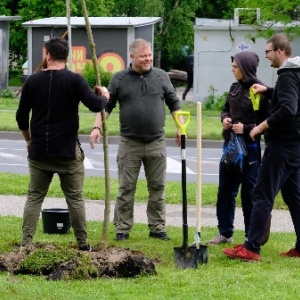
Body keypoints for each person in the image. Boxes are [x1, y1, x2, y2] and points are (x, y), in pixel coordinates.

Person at [16, 37, 109, 251]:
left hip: (39, 151)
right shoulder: (75, 80)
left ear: (48, 55)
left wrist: (28, 140)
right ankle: (83, 244)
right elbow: (96, 106)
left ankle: (25, 243)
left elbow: (21, 117)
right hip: (67, 152)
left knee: (34, 197)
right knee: (75, 198)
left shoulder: (32, 81)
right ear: (66, 57)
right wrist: (104, 95)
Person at [89, 38, 183, 241]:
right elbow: (107, 105)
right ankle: (122, 228)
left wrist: (179, 126)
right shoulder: (120, 79)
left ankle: (157, 228)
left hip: (156, 142)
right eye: (143, 56)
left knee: (157, 187)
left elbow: (174, 102)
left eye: (149, 55)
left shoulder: (161, 76)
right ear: (132, 57)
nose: (148, 59)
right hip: (129, 143)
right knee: (126, 187)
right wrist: (97, 127)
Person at [223, 34, 300, 261]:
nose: (265, 56)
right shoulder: (297, 73)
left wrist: (259, 127)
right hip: (296, 145)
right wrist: (267, 91)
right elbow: (291, 100)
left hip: (281, 146)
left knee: (262, 194)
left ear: (279, 51)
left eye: (268, 51)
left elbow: (288, 109)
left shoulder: (287, 74)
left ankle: (252, 247)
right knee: (294, 196)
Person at [207, 51, 269, 245]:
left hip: (250, 148)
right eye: (232, 66)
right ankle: (225, 233)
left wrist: (247, 128)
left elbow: (268, 121)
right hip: (231, 147)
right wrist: (225, 118)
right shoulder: (234, 87)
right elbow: (226, 108)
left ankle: (251, 236)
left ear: (246, 68)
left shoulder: (260, 90)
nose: (233, 70)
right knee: (225, 191)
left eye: (236, 67)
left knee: (249, 193)